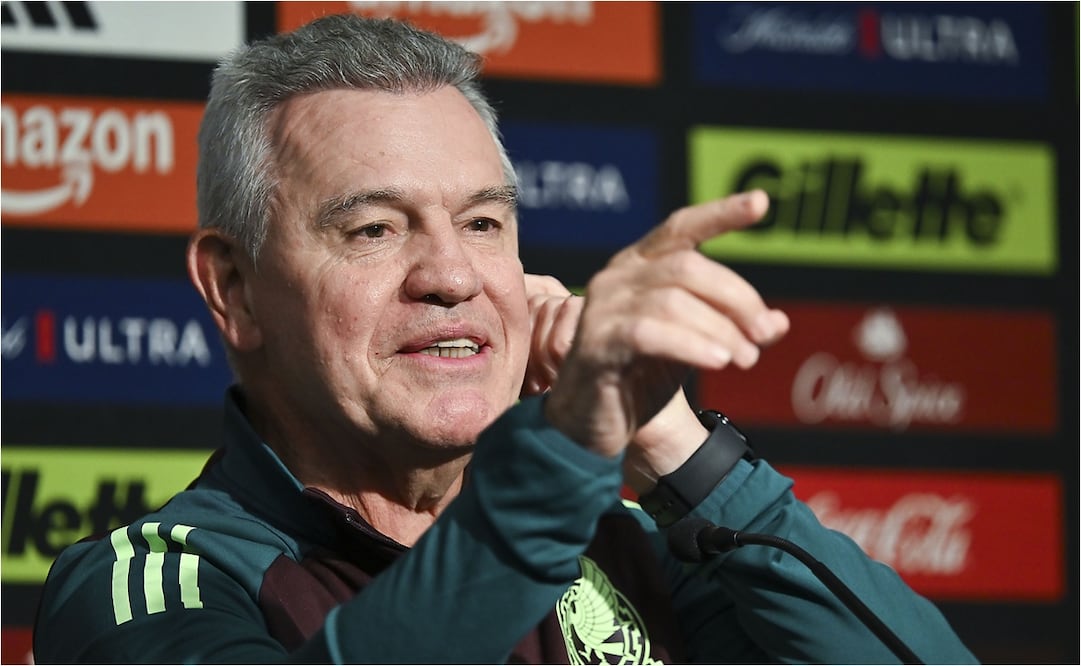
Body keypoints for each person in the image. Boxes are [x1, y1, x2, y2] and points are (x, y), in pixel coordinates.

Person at [33, 13, 977, 664]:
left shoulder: (624, 548)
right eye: (374, 229)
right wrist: (560, 449)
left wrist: (680, 455)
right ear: (234, 289)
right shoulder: (146, 587)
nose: (452, 276)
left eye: (482, 224)